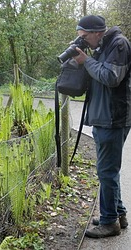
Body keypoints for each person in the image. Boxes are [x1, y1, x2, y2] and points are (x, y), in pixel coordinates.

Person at [73, 15, 131, 238]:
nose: (84, 41)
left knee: (106, 171)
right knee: (108, 171)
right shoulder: (102, 46)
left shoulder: (119, 44)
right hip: (103, 117)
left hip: (113, 118)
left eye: (85, 37)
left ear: (97, 32)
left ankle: (109, 223)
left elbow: (110, 77)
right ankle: (118, 214)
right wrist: (83, 59)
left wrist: (86, 61)